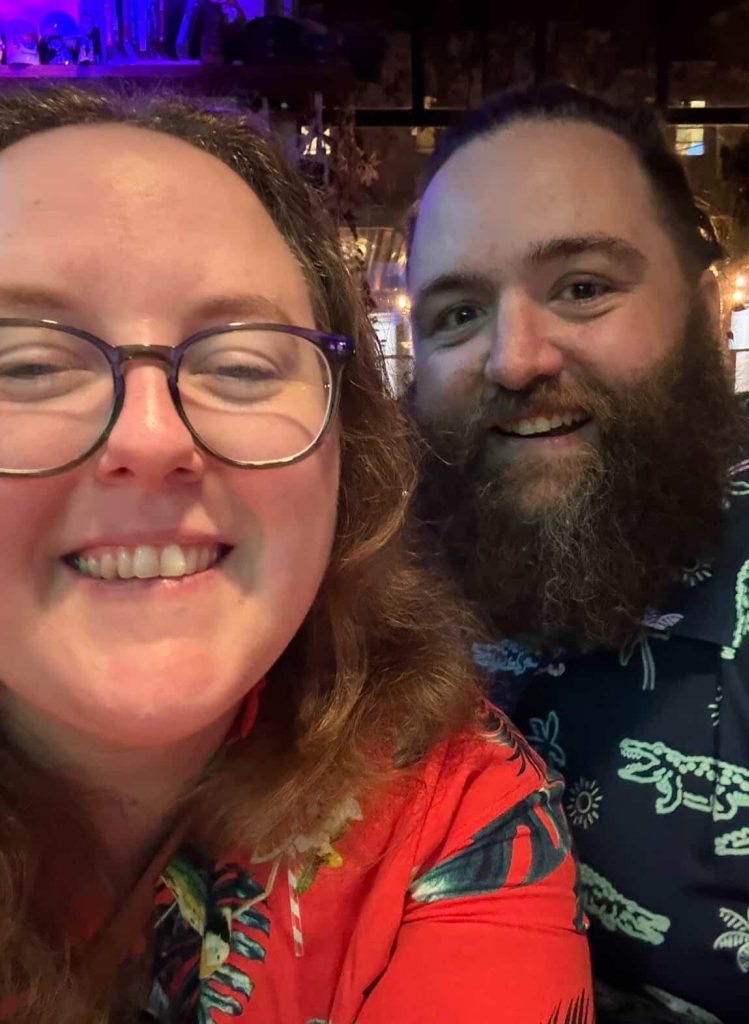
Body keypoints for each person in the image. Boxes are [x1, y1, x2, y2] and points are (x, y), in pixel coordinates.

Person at [0, 85, 591, 1023]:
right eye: (27, 365)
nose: (151, 436)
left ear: (347, 453)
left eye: (240, 365)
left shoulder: (454, 814)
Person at [408, 83, 749, 1024]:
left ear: (702, 312)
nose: (513, 359)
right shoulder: (369, 569)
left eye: (582, 288)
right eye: (456, 314)